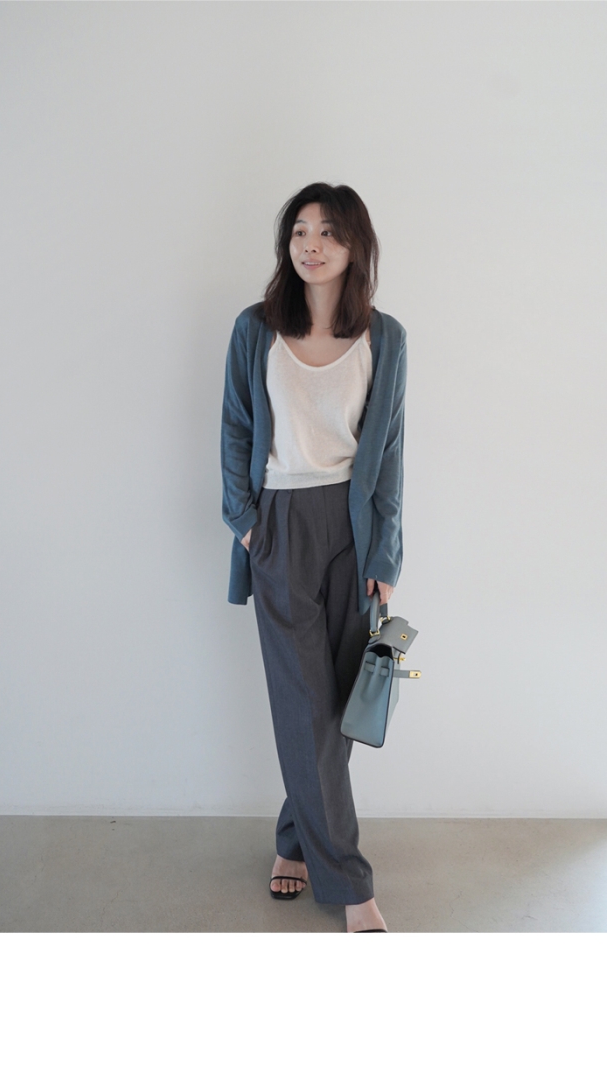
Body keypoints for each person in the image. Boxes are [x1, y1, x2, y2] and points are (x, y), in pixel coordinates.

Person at [220, 182, 407, 933]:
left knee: (335, 706)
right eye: (300, 230)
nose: (312, 244)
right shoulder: (255, 327)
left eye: (328, 231)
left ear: (355, 245)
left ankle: (295, 840)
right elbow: (236, 425)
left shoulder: (386, 336)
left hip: (352, 530)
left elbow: (388, 452)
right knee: (305, 705)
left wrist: (385, 553)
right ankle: (351, 885)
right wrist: (245, 523)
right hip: (280, 525)